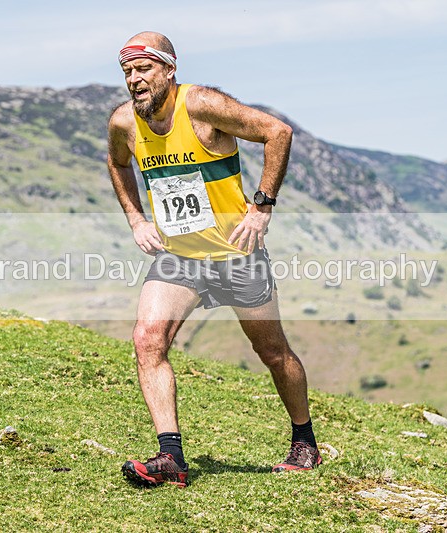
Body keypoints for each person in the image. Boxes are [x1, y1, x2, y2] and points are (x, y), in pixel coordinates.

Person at [107, 31, 320, 488]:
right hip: (180, 257)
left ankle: (304, 441)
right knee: (148, 338)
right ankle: (171, 459)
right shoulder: (125, 122)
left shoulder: (201, 105)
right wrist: (136, 220)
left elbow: (276, 132)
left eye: (143, 68)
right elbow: (118, 163)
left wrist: (261, 207)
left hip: (236, 253)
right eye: (127, 71)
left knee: (273, 352)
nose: (134, 79)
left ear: (169, 68)